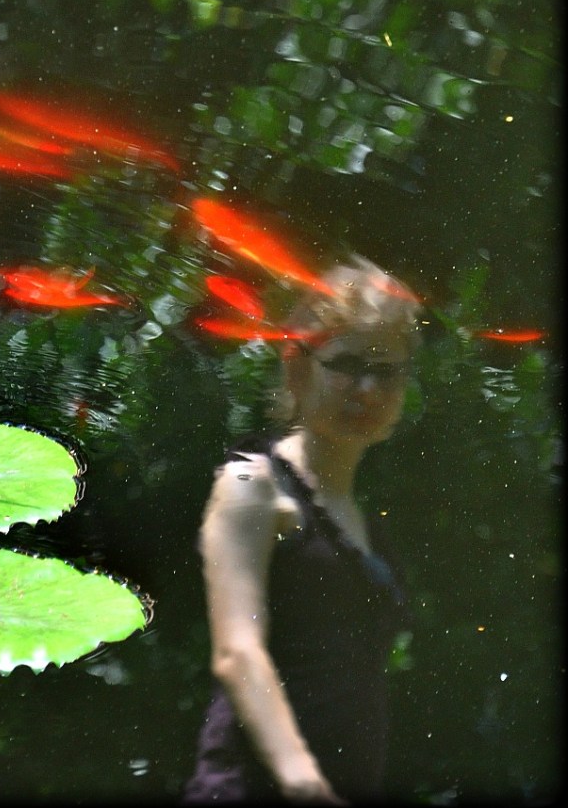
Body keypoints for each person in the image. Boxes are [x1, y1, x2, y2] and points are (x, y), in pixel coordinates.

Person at [183, 255, 423, 804]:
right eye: (347, 364)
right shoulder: (252, 483)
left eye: (387, 371)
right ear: (296, 367)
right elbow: (237, 652)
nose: (368, 388)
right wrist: (303, 781)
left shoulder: (363, 521)